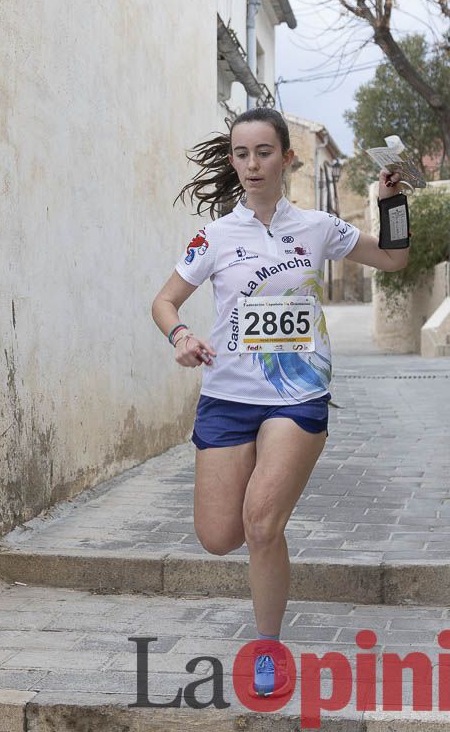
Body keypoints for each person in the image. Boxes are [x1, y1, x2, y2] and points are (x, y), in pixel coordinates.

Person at [150, 108, 409, 697]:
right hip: (227, 397)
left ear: (287, 158)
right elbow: (164, 302)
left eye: (263, 152)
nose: (251, 165)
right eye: (241, 154)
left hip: (298, 398)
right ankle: (263, 556)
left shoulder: (318, 227)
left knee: (261, 522)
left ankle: (267, 645)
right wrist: (181, 336)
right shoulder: (214, 237)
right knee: (219, 535)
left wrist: (391, 201)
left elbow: (393, 259)